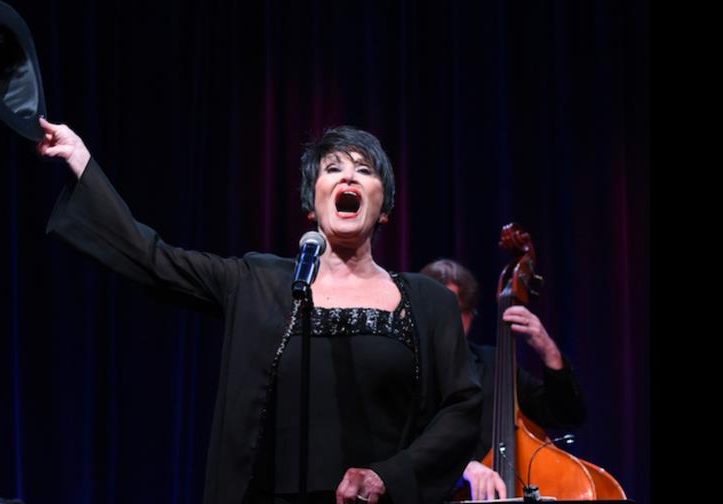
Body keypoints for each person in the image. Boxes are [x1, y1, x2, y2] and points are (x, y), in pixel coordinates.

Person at [37, 118, 482, 504]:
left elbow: (462, 408)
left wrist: (391, 475)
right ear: (312, 203)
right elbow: (155, 260)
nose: (348, 178)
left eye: (364, 171)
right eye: (333, 169)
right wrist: (82, 163)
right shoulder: (259, 282)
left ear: (384, 207)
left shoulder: (428, 302)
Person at [420, 259, 587, 501]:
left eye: (462, 311)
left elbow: (568, 415)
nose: (453, 323)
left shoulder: (493, 365)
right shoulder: (400, 368)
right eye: (444, 313)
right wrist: (460, 467)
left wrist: (548, 351)